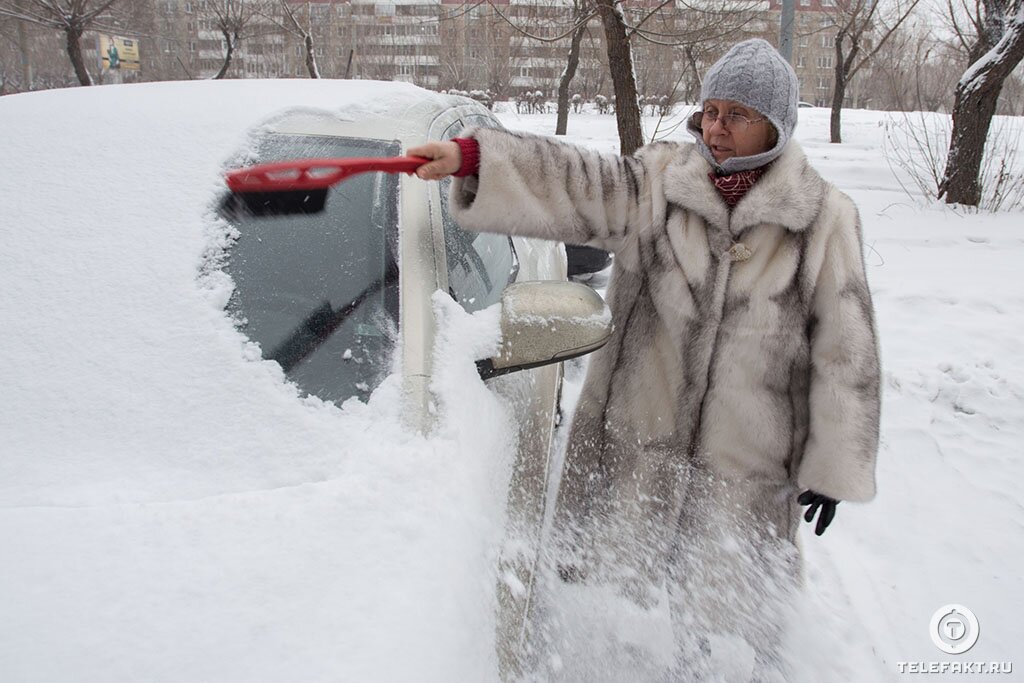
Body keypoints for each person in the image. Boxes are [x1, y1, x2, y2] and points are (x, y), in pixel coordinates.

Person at [411, 38, 880, 677]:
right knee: (609, 620)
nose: (715, 127)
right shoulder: (659, 184)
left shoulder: (823, 219)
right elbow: (575, 182)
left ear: (775, 125)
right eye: (710, 110)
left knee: (725, 633)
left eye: (736, 115)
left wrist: (834, 466)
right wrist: (473, 158)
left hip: (744, 471)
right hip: (633, 447)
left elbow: (847, 352)